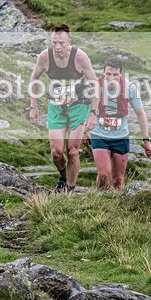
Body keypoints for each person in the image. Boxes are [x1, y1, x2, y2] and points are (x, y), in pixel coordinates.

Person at [28, 25, 99, 193]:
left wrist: (93, 113)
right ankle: (63, 176)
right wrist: (33, 106)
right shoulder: (45, 57)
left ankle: (69, 189)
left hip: (79, 107)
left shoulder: (80, 57)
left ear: (69, 42)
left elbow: (95, 85)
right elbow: (34, 79)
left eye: (61, 43)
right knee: (56, 152)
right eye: (54, 43)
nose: (58, 47)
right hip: (57, 108)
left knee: (73, 151)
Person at [89, 58, 151, 190]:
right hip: (99, 134)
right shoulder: (95, 86)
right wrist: (83, 132)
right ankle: (100, 204)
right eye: (108, 74)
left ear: (120, 74)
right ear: (103, 73)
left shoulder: (129, 88)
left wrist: (146, 139)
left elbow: (140, 113)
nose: (111, 78)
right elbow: (84, 109)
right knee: (104, 175)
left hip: (120, 136)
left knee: (118, 180)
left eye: (115, 75)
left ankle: (115, 206)